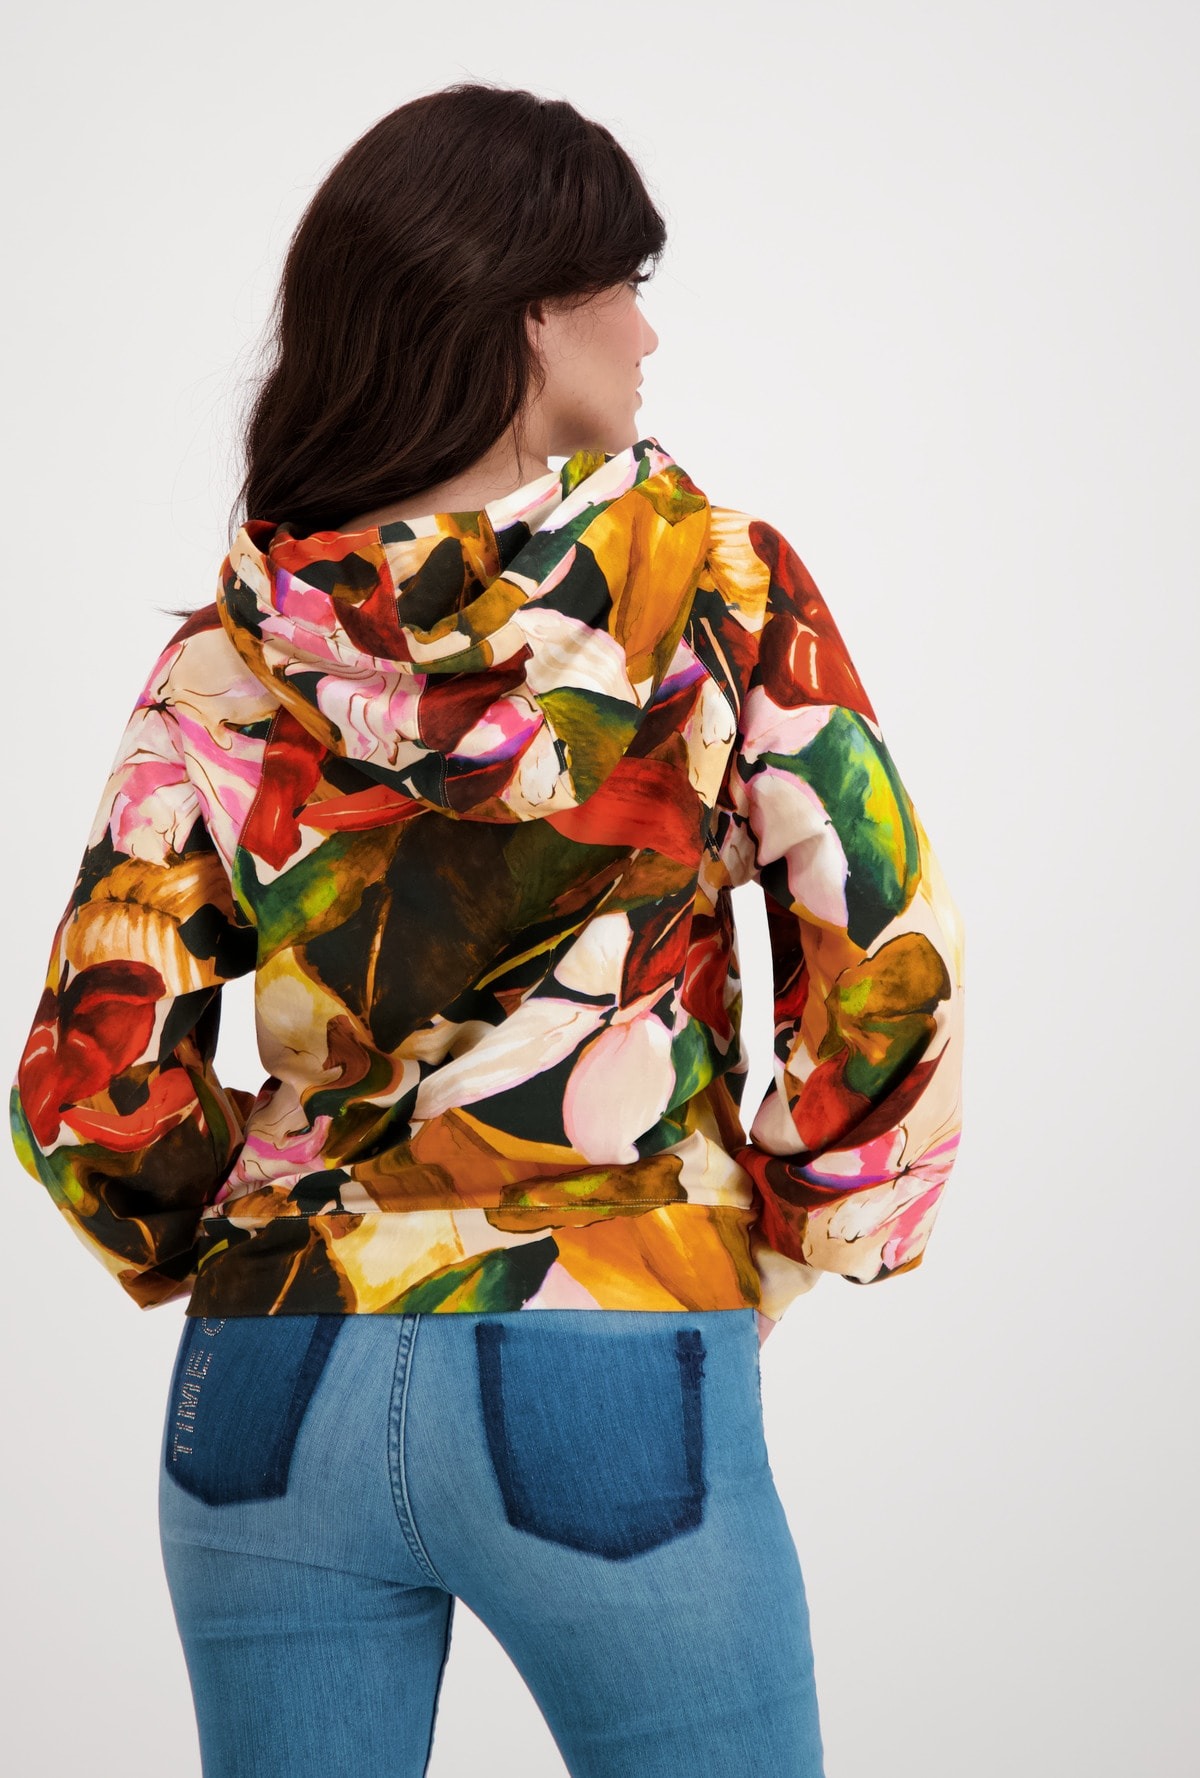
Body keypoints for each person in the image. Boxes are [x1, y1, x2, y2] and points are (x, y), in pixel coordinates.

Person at [9, 81, 965, 1778]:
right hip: (612, 1345)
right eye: (625, 285)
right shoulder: (714, 585)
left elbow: (91, 1076)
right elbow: (887, 957)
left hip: (272, 1381)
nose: (649, 332)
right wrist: (789, 1243)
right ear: (532, 314)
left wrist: (237, 1239)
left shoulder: (229, 657)